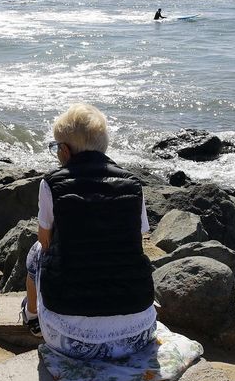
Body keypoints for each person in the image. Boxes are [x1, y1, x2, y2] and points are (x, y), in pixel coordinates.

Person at [20, 104, 156, 360]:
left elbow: (45, 241)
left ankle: (32, 316)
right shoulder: (133, 184)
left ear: (65, 150)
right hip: (137, 333)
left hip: (70, 339)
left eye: (56, 147)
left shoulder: (51, 183)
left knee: (36, 251)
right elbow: (137, 241)